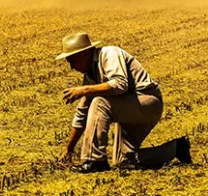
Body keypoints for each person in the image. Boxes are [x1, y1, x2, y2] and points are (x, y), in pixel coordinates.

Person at [56, 32, 191, 173]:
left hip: (147, 102)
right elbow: (82, 113)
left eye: (72, 60)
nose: (71, 67)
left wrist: (85, 90)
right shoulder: (90, 75)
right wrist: (68, 149)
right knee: (123, 161)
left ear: (85, 53)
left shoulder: (109, 54)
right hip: (131, 109)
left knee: (99, 102)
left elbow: (120, 84)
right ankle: (176, 148)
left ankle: (95, 160)